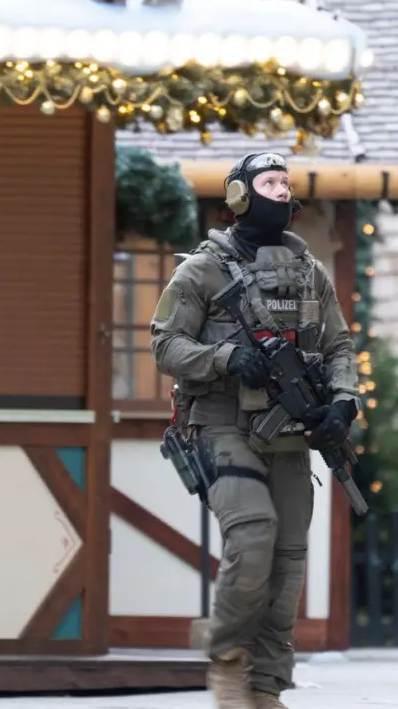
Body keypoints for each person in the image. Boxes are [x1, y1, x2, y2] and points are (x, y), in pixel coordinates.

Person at [149, 152, 360, 709]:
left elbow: (339, 345)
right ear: (240, 196)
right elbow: (165, 345)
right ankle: (227, 659)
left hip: (290, 431)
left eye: (286, 184)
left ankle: (265, 688)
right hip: (219, 424)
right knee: (252, 535)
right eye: (269, 182)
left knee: (288, 561)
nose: (282, 192)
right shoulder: (201, 270)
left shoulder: (309, 272)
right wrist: (224, 359)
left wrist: (343, 402)